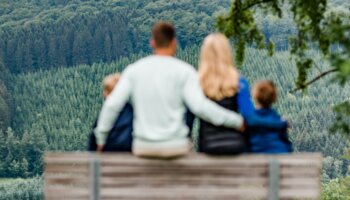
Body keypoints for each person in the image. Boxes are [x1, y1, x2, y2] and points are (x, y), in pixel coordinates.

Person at [94, 22, 245, 158]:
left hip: (143, 147)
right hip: (176, 147)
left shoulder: (134, 70)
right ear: (174, 43)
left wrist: (101, 139)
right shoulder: (185, 71)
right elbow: (200, 107)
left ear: (152, 42)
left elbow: (112, 105)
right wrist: (236, 121)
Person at [197, 33, 288, 155]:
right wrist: (280, 123)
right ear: (227, 53)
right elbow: (250, 118)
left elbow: (188, 120)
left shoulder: (195, 84)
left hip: (207, 147)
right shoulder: (238, 82)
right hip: (235, 146)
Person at [88, 73, 133, 152]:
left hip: (109, 155)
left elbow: (94, 143)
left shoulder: (106, 112)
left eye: (106, 90)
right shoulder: (131, 111)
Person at [249, 80, 292, 153]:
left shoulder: (249, 120)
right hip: (279, 160)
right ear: (274, 99)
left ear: (255, 97)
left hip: (256, 159)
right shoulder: (280, 121)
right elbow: (288, 147)